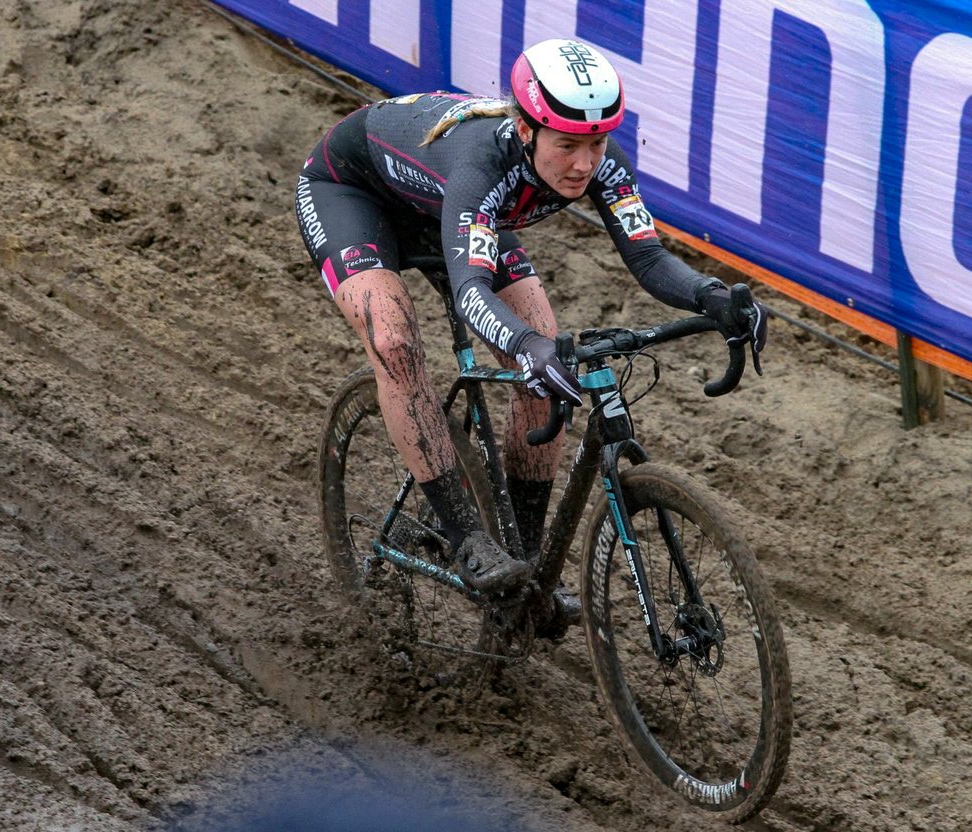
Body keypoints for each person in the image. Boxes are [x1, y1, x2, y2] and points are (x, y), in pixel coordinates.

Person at [294, 38, 768, 603]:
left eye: (596, 143)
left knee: (549, 368)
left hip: (459, 214)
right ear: (525, 130)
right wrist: (524, 347)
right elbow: (471, 291)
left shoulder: (599, 164)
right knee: (396, 343)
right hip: (354, 194)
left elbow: (646, 257)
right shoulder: (482, 166)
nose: (584, 164)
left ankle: (523, 563)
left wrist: (711, 296)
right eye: (567, 145)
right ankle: (466, 536)